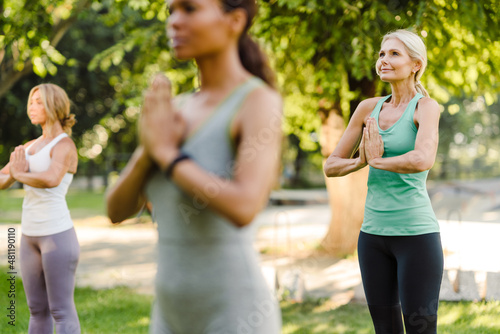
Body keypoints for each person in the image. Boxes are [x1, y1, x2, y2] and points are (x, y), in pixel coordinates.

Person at [106, 0, 282, 333]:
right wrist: (149, 153)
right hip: (168, 315)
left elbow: (245, 206)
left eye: (189, 8)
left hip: (234, 312)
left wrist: (170, 157)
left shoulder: (257, 101)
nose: (174, 21)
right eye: (170, 11)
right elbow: (116, 210)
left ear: (234, 20)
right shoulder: (175, 110)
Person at [324, 29, 443, 334]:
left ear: (415, 64)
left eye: (394, 54)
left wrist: (378, 161)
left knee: (421, 330)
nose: (384, 60)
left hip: (416, 236)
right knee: (385, 330)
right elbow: (331, 165)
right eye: (381, 53)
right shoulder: (368, 108)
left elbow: (422, 159)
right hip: (372, 237)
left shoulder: (425, 108)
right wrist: (359, 161)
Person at [0, 83, 80, 333]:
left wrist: (17, 174)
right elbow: (3, 178)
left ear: (54, 105)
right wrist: (14, 174)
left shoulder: (64, 145)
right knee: (37, 310)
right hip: (29, 236)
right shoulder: (30, 146)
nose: (31, 108)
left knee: (61, 310)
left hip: (56, 235)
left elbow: (51, 178)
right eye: (30, 102)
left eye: (37, 102)